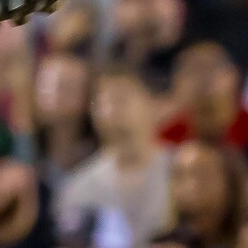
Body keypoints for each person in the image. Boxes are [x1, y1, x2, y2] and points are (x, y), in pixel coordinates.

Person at [55, 63, 171, 248]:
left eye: (121, 98)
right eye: (102, 102)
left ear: (153, 104)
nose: (111, 109)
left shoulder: (183, 171)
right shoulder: (78, 189)